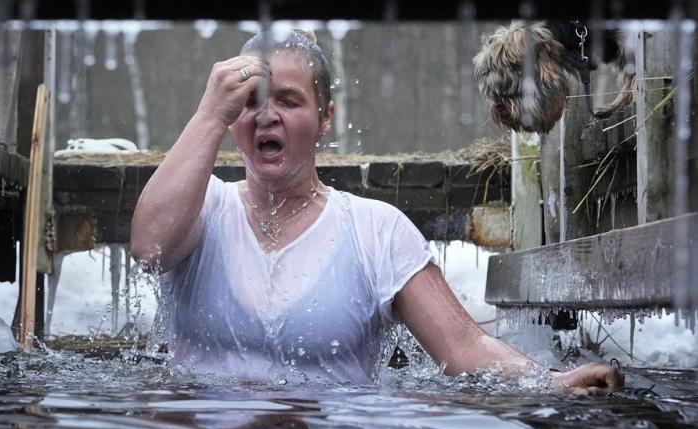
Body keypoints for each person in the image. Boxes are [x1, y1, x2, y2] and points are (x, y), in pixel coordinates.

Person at [131, 30, 623, 393]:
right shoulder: (205, 206)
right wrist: (208, 114)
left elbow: (463, 349)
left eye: (288, 100)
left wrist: (552, 382)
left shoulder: (375, 229)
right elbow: (149, 248)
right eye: (249, 102)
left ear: (326, 118)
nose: (266, 115)